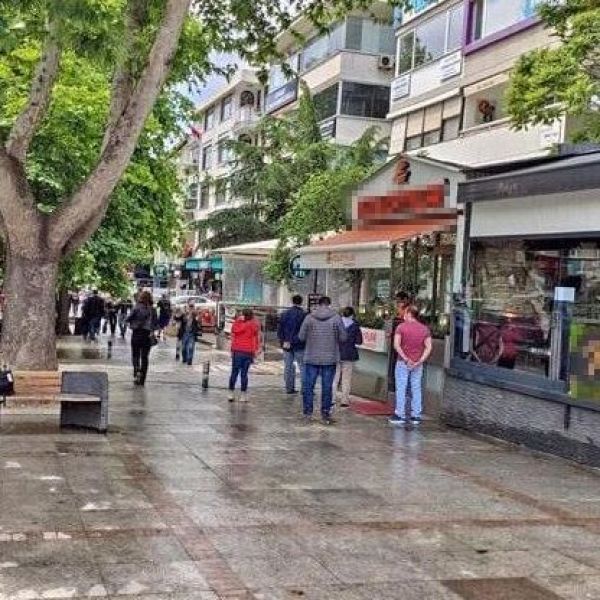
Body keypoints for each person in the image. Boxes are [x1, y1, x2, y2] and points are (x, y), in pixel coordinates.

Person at [298, 296, 347, 425]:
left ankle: (307, 413)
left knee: (308, 386)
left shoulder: (309, 318)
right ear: (329, 304)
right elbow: (343, 337)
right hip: (329, 358)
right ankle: (325, 414)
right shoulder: (336, 318)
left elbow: (301, 337)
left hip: (311, 357)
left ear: (318, 305)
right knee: (327, 387)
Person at [389, 306, 432, 427]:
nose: (403, 314)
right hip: (418, 363)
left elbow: (397, 345)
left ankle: (400, 414)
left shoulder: (401, 327)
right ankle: (416, 415)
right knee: (416, 387)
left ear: (409, 314)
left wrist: (406, 358)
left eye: (405, 312)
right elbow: (429, 347)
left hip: (403, 362)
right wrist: (420, 360)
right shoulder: (425, 329)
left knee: (401, 387)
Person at [333, 307, 363, 408]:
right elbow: (359, 341)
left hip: (336, 353)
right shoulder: (355, 326)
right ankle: (344, 400)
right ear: (352, 315)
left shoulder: (336, 324)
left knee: (334, 377)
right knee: (346, 378)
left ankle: (331, 398)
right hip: (349, 354)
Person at [228, 308, 260, 402]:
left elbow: (233, 330)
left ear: (243, 315)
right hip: (248, 351)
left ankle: (231, 393)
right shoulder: (253, 324)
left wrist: (239, 320)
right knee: (244, 374)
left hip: (237, 350)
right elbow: (256, 335)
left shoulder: (237, 323)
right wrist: (256, 350)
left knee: (234, 372)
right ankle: (243, 395)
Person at [126, 291, 157, 386]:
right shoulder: (152, 310)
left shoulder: (136, 307)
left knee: (135, 355)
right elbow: (155, 323)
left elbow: (128, 318)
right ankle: (142, 379)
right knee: (145, 357)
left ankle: (137, 371)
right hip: (147, 335)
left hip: (136, 333)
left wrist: (132, 322)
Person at [277, 295, 306, 394]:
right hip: (300, 344)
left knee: (288, 366)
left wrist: (283, 341)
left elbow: (280, 330)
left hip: (286, 343)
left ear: (292, 301)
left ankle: (289, 387)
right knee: (303, 367)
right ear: (301, 302)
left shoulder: (284, 314)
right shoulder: (304, 315)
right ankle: (304, 389)